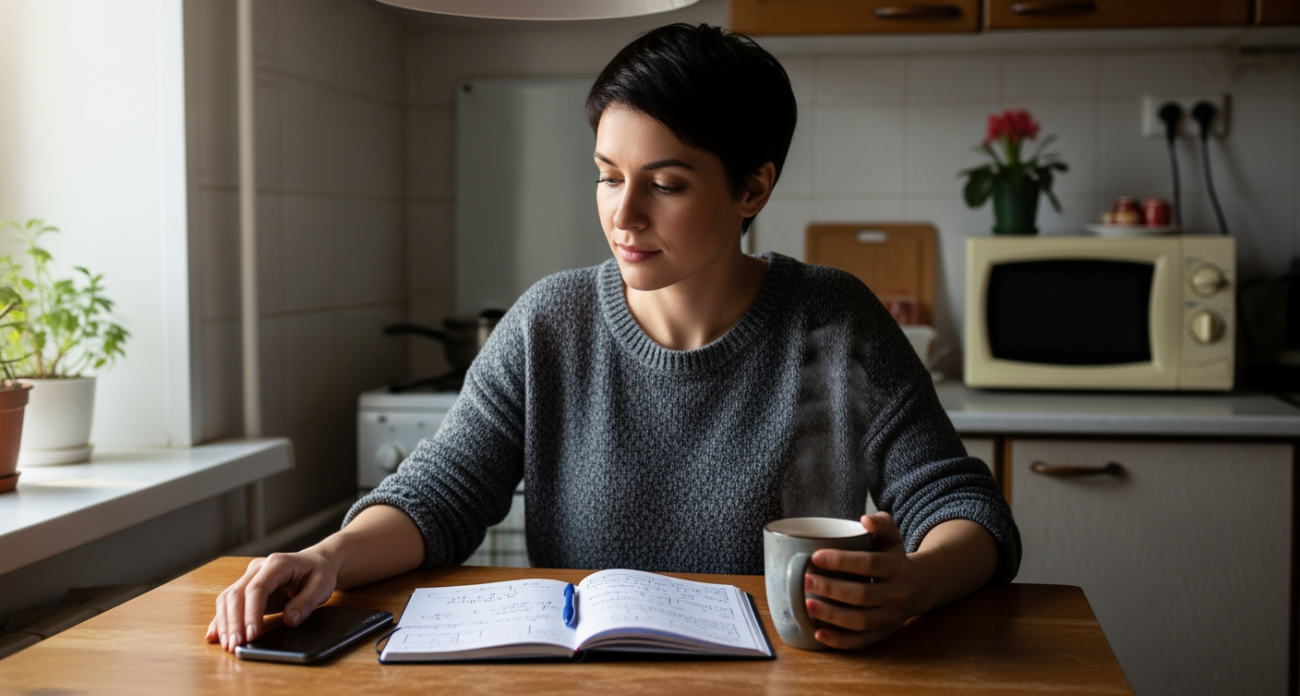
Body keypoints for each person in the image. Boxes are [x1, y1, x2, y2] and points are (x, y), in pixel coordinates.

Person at [208, 23, 1020, 654]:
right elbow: (440, 494)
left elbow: (964, 509)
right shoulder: (551, 322)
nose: (623, 216)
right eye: (607, 174)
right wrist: (329, 557)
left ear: (753, 187)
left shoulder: (833, 319)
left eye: (665, 184)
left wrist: (910, 584)